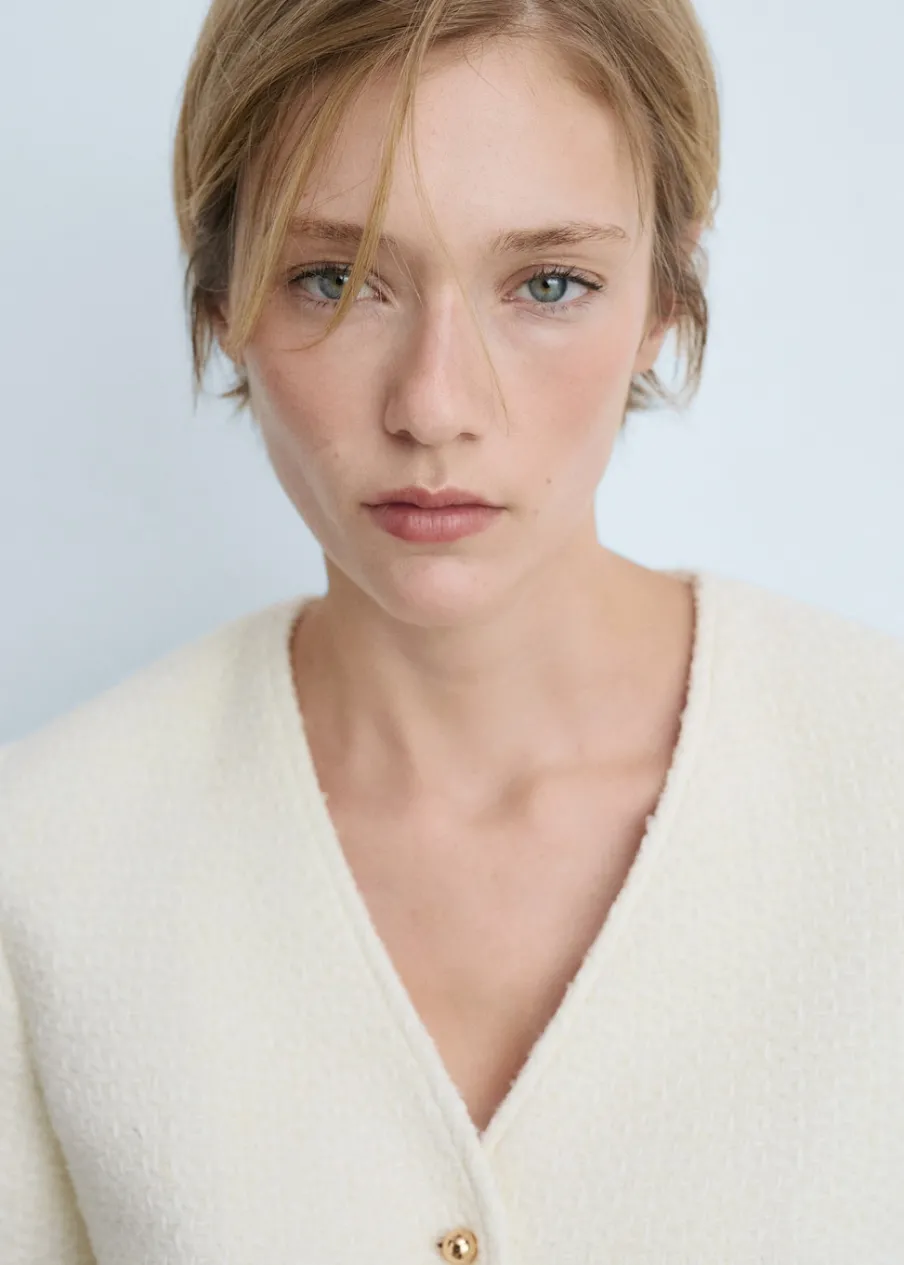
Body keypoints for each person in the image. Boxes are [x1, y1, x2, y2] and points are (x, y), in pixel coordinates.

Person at [2, 1, 903, 1262]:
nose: (433, 404)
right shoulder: (45, 863)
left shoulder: (878, 783)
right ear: (218, 296)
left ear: (665, 293)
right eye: (333, 279)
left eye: (548, 284)